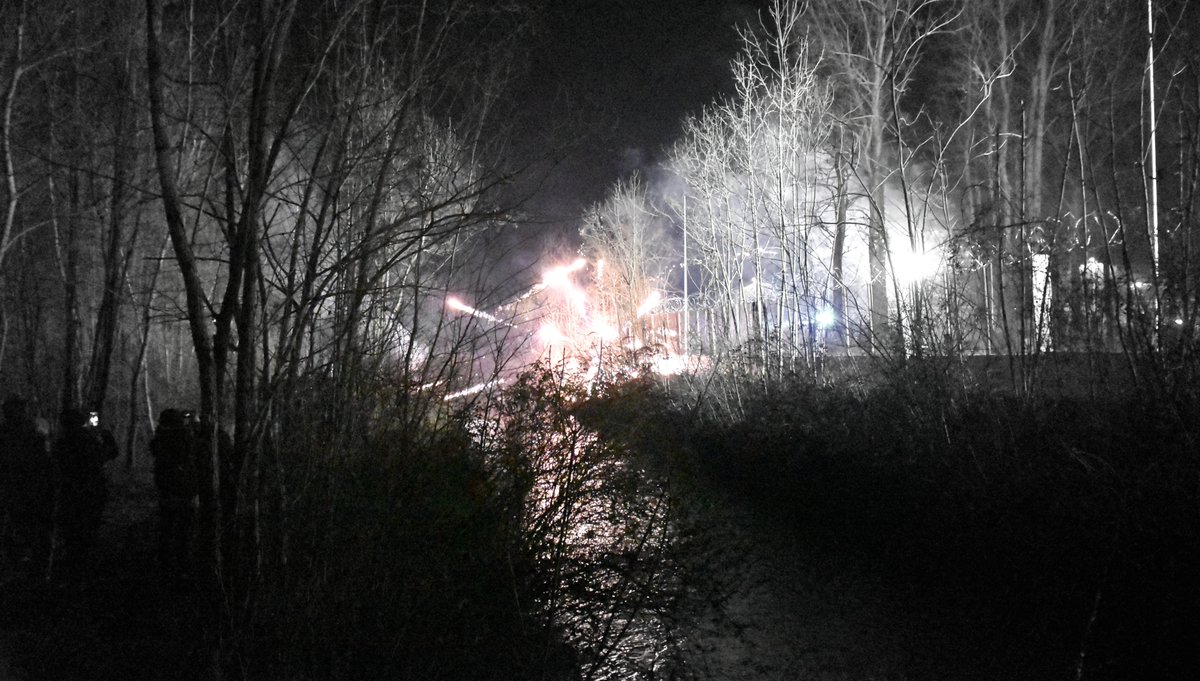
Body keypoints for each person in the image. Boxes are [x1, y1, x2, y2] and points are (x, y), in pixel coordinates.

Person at [0, 395, 55, 581]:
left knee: (24, 526)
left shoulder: (30, 433)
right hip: (18, 488)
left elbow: (43, 463)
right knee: (19, 526)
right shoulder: (26, 433)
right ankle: (19, 564)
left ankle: (23, 565)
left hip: (25, 488)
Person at [53, 408, 113, 571]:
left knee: (73, 529)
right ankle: (82, 563)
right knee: (86, 528)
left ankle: (75, 562)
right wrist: (107, 438)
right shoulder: (87, 440)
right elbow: (107, 454)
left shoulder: (62, 442)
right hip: (88, 490)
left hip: (72, 491)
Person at [150, 409, 198, 576]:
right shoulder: (183, 437)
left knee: (169, 527)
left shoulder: (167, 437)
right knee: (181, 528)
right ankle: (179, 563)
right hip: (180, 489)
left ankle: (168, 563)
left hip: (171, 488)